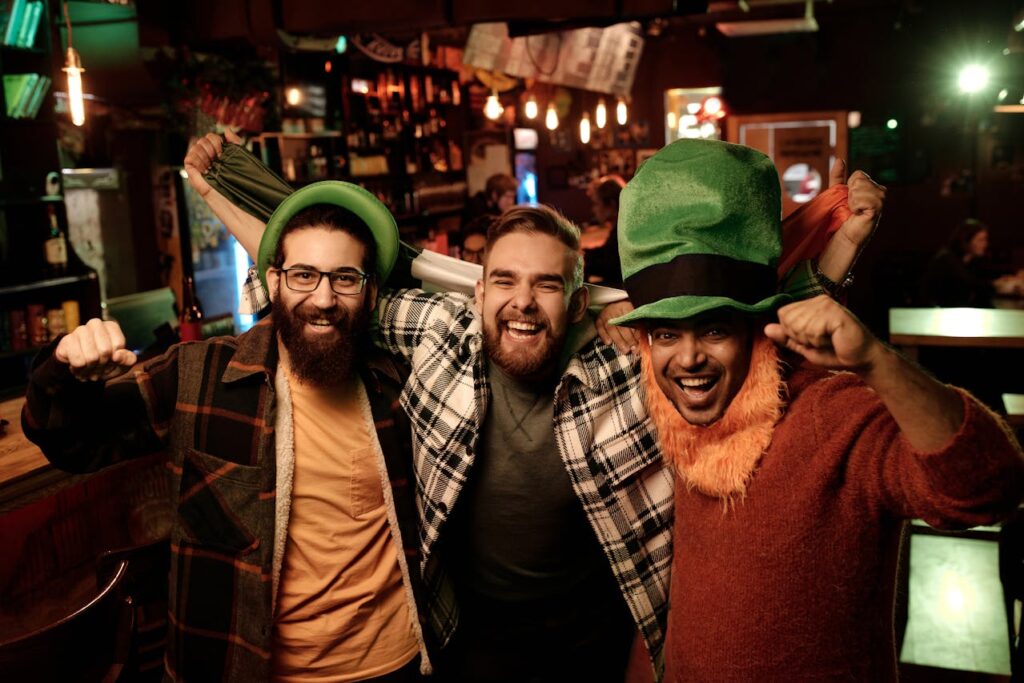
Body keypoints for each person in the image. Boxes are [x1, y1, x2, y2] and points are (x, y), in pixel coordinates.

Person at [183, 133, 885, 681]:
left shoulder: (623, 354)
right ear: (478, 290)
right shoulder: (438, 332)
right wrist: (216, 189)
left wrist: (842, 240)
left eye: (547, 284)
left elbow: (750, 324)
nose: (522, 301)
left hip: (599, 642)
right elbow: (324, 286)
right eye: (505, 281)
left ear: (578, 301)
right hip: (466, 639)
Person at [608, 139, 1024, 681]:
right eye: (665, 332)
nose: (688, 358)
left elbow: (989, 486)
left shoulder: (833, 413)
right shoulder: (677, 415)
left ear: (758, 325)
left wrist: (876, 362)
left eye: (714, 327)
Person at [22, 183, 433, 682]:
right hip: (243, 667)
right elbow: (72, 441)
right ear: (274, 281)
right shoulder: (201, 376)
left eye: (344, 277)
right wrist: (63, 372)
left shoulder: (402, 384)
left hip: (393, 663)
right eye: (304, 275)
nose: (323, 298)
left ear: (369, 291)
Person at [922, 218, 1024, 307]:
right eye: (981, 240)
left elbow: (983, 277)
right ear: (966, 241)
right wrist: (996, 285)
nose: (985, 244)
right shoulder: (947, 259)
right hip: (938, 313)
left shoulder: (970, 260)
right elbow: (969, 284)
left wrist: (1006, 279)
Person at [583, 174, 627, 286]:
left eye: (596, 204)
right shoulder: (623, 224)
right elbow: (608, 253)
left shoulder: (622, 230)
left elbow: (610, 267)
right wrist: (584, 253)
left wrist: (585, 259)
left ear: (611, 205)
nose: (594, 210)